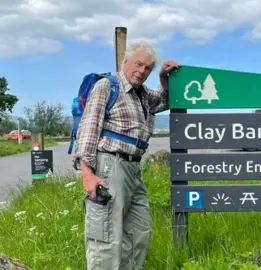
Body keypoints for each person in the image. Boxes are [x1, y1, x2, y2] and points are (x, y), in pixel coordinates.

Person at [73, 40, 180, 269]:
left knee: (139, 232)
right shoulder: (107, 86)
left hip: (133, 169)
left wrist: (163, 77)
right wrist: (87, 174)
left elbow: (165, 101)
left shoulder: (142, 94)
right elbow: (88, 129)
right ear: (126, 62)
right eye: (138, 64)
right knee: (106, 238)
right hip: (109, 166)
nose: (141, 71)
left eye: (147, 68)